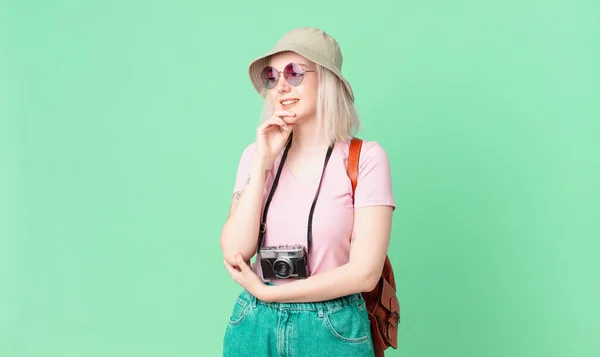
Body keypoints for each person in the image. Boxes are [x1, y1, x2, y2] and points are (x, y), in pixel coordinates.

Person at [220, 27, 395, 357]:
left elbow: (365, 274)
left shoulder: (366, 158)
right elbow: (235, 253)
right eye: (272, 76)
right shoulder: (255, 156)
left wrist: (272, 293)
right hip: (254, 323)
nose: (281, 85)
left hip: (331, 326)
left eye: (295, 73)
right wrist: (261, 165)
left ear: (326, 80)